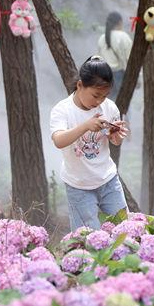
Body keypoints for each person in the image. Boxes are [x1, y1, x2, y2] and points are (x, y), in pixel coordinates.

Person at [50, 56, 129, 230]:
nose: (100, 101)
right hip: (79, 186)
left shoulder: (109, 107)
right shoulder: (62, 110)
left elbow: (114, 142)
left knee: (125, 231)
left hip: (108, 179)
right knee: (87, 239)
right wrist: (86, 126)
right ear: (80, 86)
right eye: (96, 95)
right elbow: (58, 140)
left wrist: (117, 136)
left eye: (105, 96)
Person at [96, 12, 133, 99]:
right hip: (119, 76)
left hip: (104, 77)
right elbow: (130, 59)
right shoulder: (124, 36)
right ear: (120, 22)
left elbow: (99, 59)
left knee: (107, 104)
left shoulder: (102, 38)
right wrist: (136, 78)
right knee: (121, 104)